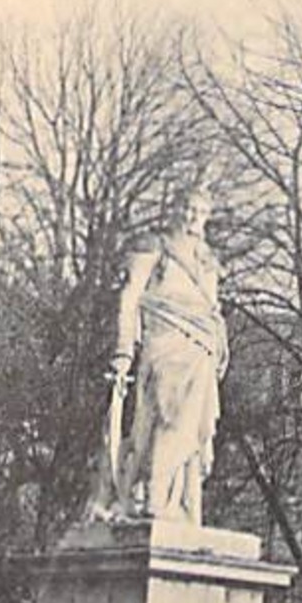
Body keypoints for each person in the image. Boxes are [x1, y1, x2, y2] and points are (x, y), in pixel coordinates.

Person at [88, 186, 229, 525]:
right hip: (163, 342)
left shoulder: (208, 261)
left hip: (200, 348)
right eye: (186, 207)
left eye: (199, 211)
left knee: (193, 424)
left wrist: (220, 342)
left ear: (206, 218)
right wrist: (124, 350)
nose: (192, 216)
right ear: (174, 209)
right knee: (167, 415)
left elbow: (212, 309)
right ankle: (153, 495)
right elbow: (130, 296)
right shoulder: (154, 246)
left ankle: (175, 504)